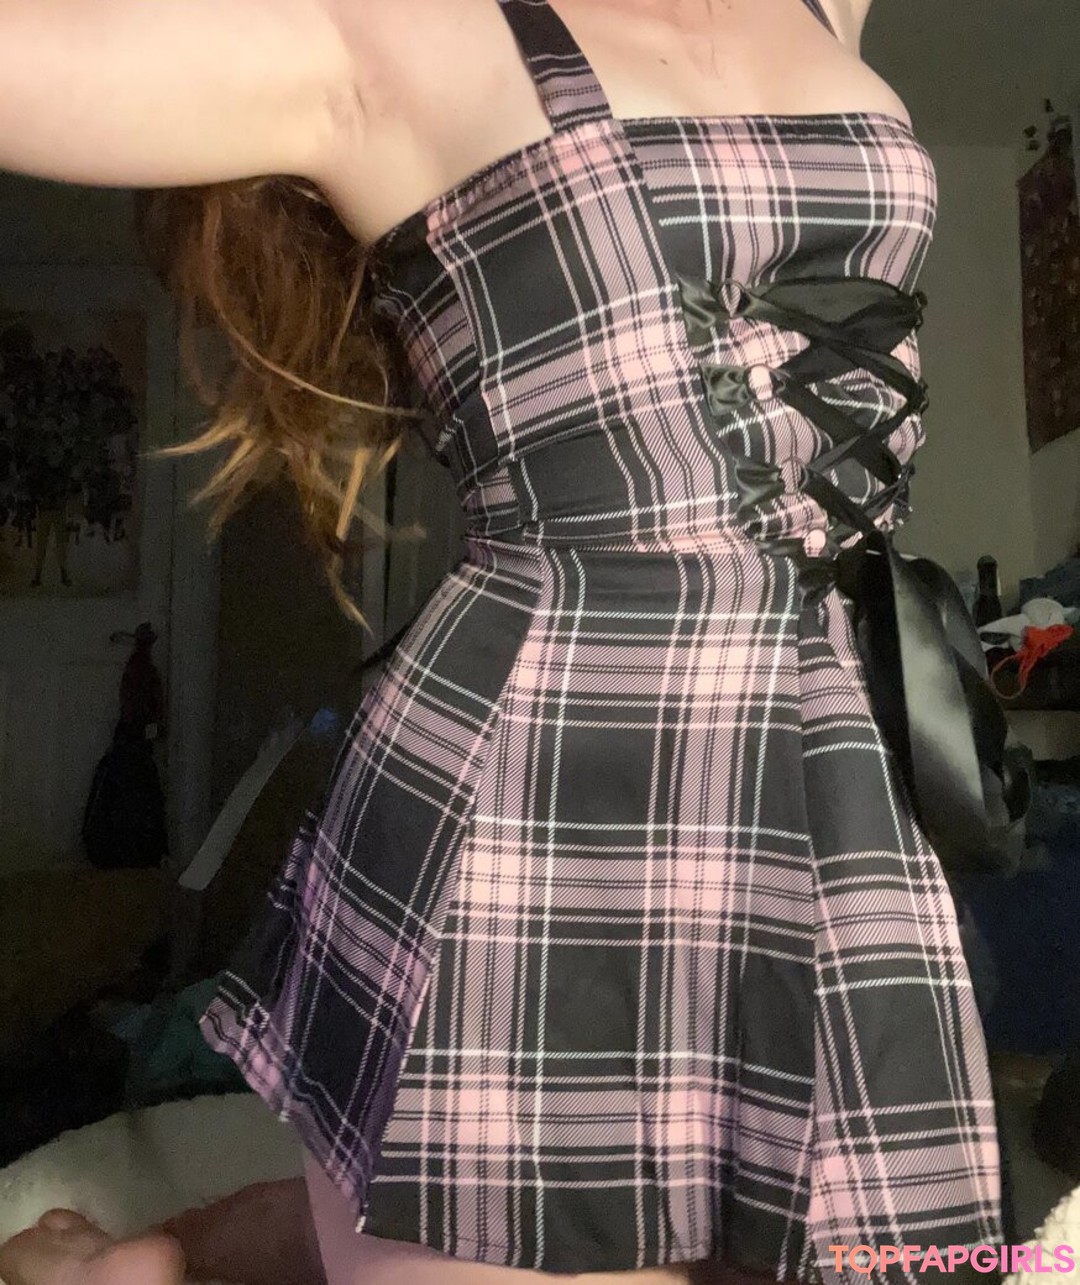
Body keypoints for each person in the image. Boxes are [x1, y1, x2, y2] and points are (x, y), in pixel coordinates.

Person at [0, 1, 1010, 1282]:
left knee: (885, 1254)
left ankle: (155, 1256)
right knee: (511, 1219)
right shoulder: (390, 34)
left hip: (836, 765)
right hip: (543, 800)